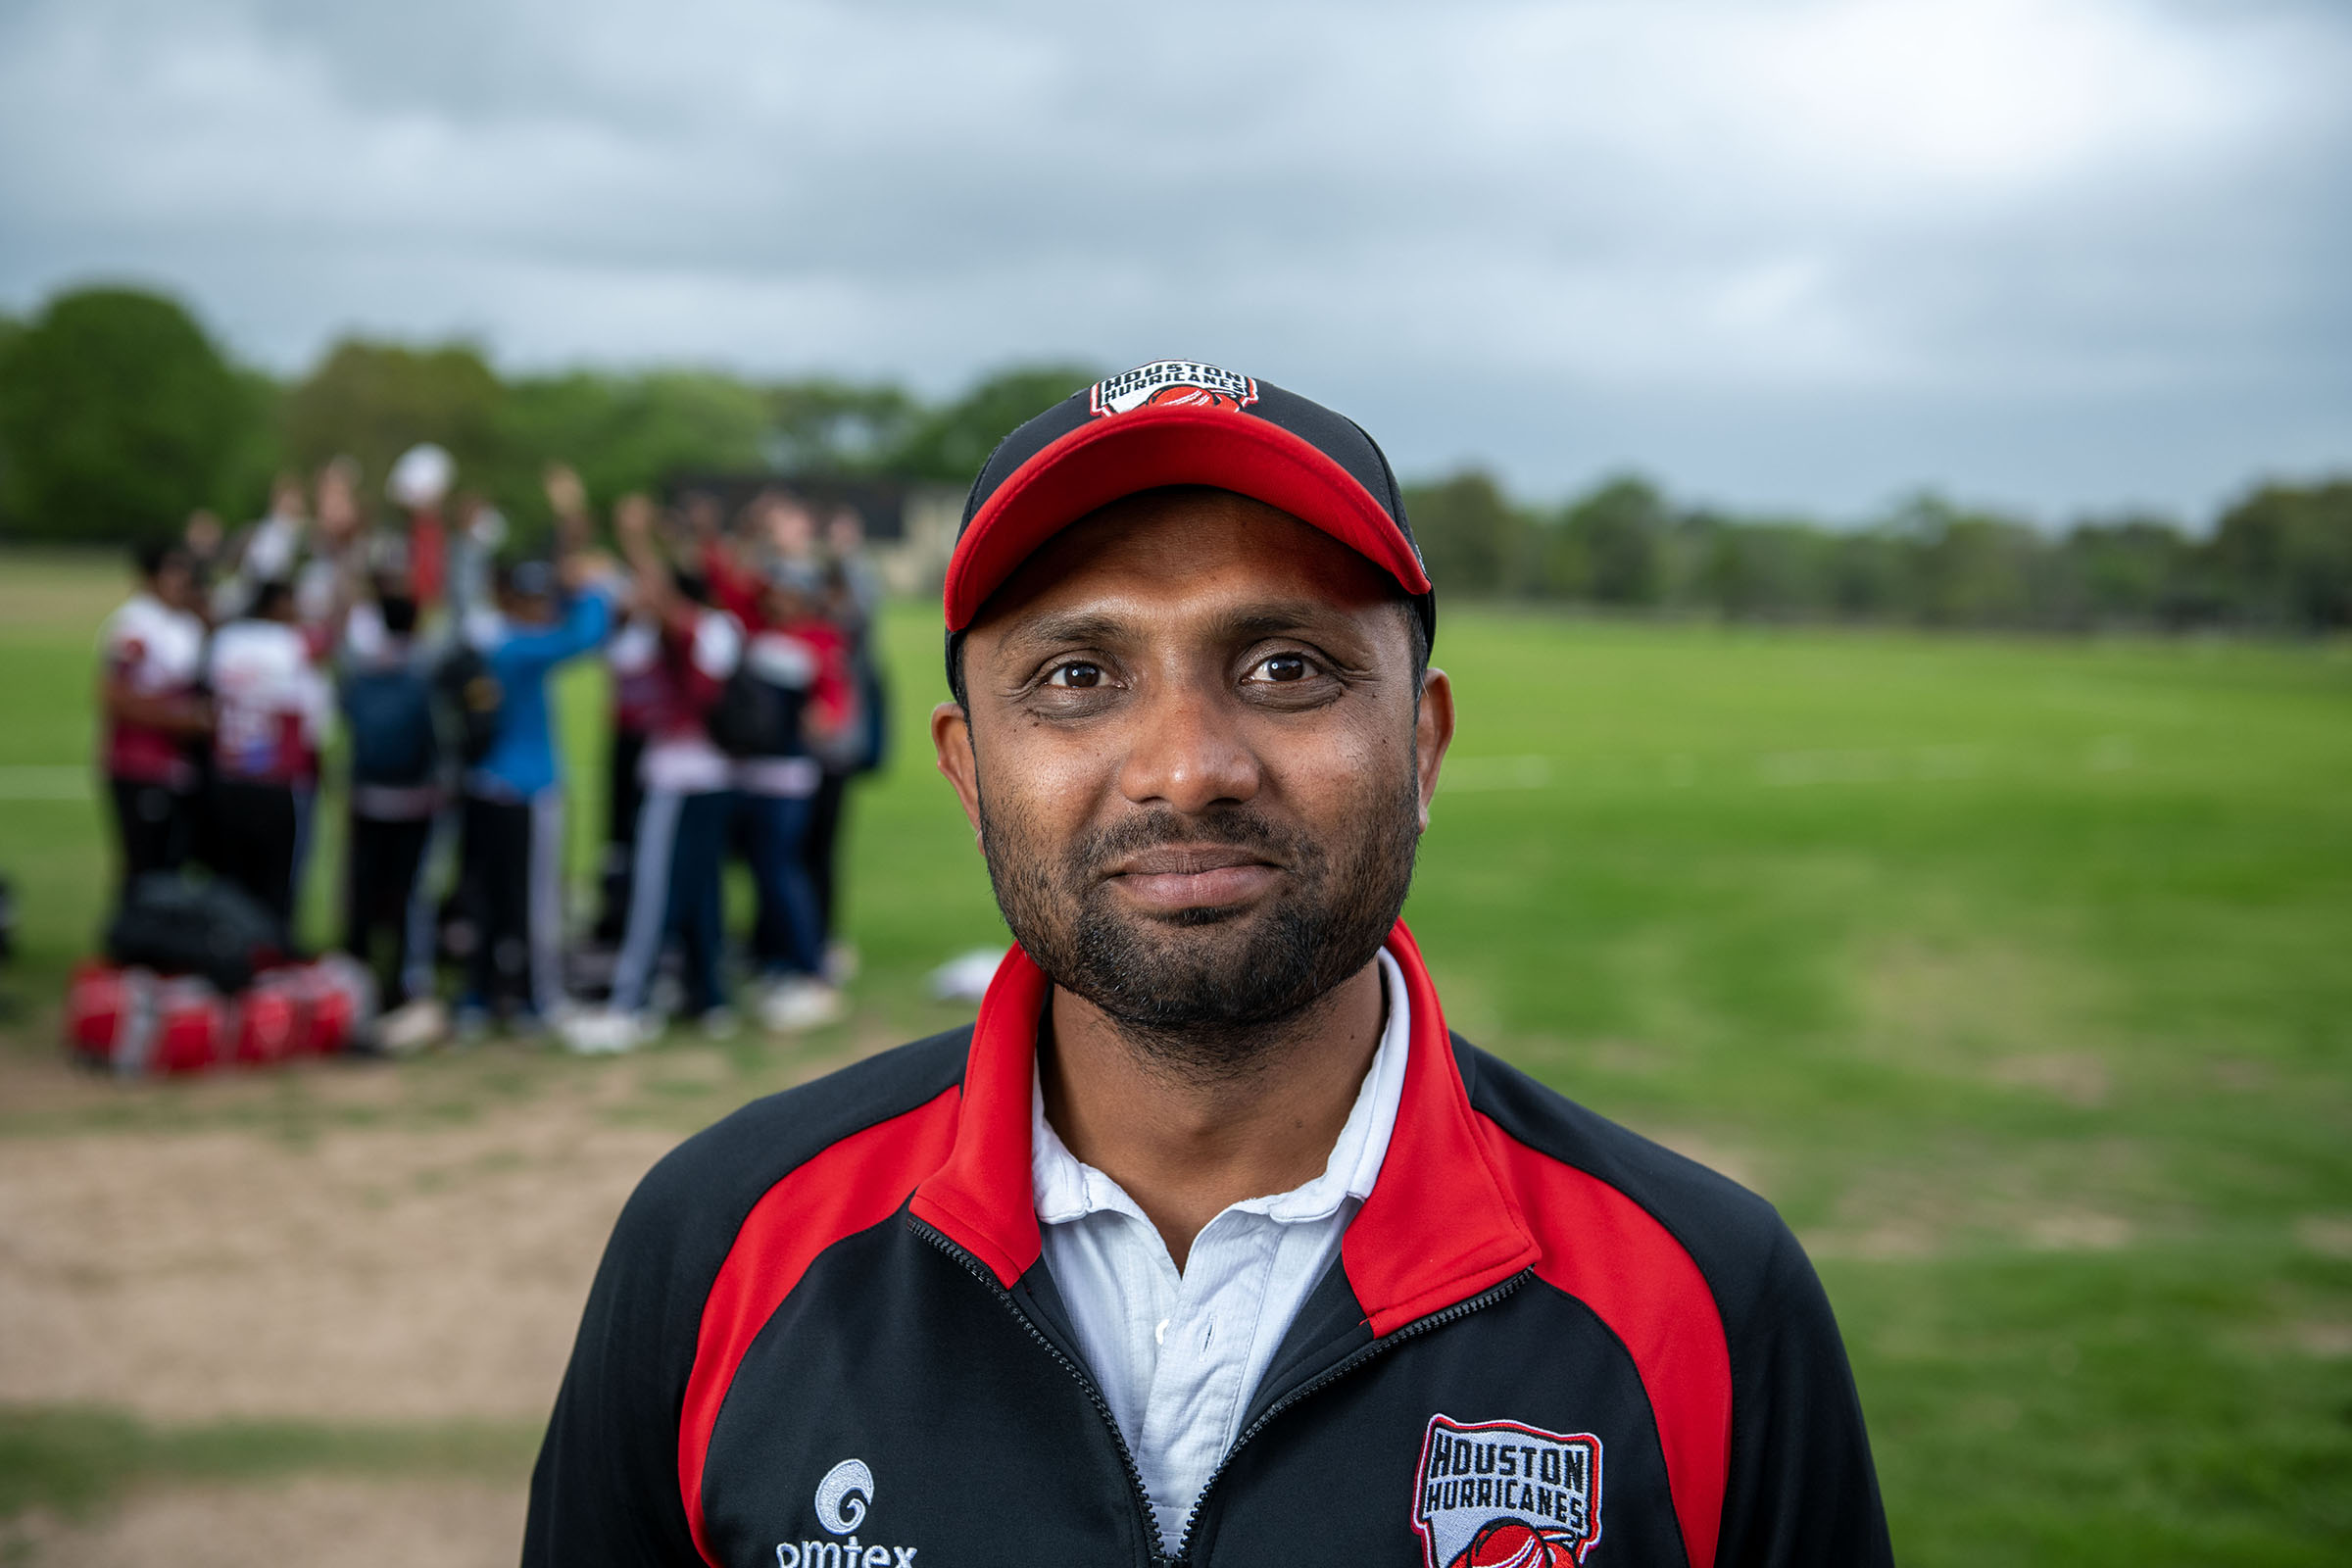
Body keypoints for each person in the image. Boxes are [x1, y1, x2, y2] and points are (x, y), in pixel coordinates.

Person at [525, 362, 1891, 1567]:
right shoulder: (722, 1246)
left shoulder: (1700, 1299)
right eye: (1076, 677)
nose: (1189, 767)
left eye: (1288, 665)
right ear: (967, 771)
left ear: (1422, 746)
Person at [452, 554, 614, 1034]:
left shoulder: (489, 638)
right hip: (528, 788)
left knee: (486, 897)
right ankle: (538, 999)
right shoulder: (520, 648)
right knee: (533, 902)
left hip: (485, 783)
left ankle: (479, 997)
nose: (540, 607)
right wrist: (593, 589)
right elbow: (584, 638)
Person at [203, 577, 333, 930]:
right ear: (277, 605)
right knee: (279, 885)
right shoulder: (294, 645)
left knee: (233, 881)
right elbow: (312, 722)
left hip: (229, 773)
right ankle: (273, 957)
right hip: (280, 777)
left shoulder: (227, 641)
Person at [337, 579, 442, 1015]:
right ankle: (399, 982)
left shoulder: (361, 668)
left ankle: (353, 977)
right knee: (406, 893)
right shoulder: (427, 669)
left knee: (362, 888)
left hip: (366, 796)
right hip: (416, 798)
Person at [96, 541, 212, 891]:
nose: (182, 580)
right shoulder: (134, 625)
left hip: (179, 765)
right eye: (172, 571)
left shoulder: (186, 624)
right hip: (140, 764)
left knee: (173, 862)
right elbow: (115, 698)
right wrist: (186, 721)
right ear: (149, 577)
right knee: (144, 863)